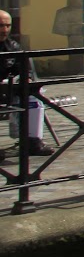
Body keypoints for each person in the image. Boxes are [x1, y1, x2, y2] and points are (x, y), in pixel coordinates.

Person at [0, 11, 51, 158]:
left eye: (7, 26)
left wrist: (26, 79)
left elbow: (24, 69)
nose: (4, 30)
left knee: (34, 98)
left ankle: (32, 142)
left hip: (9, 92)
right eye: (1, 26)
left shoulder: (13, 46)